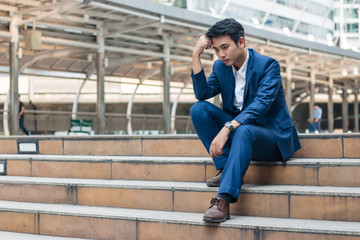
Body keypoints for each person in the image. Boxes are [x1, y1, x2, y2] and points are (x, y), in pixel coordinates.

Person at [190, 18, 301, 223]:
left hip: (271, 137)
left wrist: (227, 127)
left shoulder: (268, 65)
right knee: (199, 109)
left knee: (243, 130)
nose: (221, 54)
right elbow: (202, 93)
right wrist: (196, 54)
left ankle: (223, 199)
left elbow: (261, 105)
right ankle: (226, 169)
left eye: (225, 47)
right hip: (240, 132)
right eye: (216, 49)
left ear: (241, 42)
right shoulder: (221, 67)